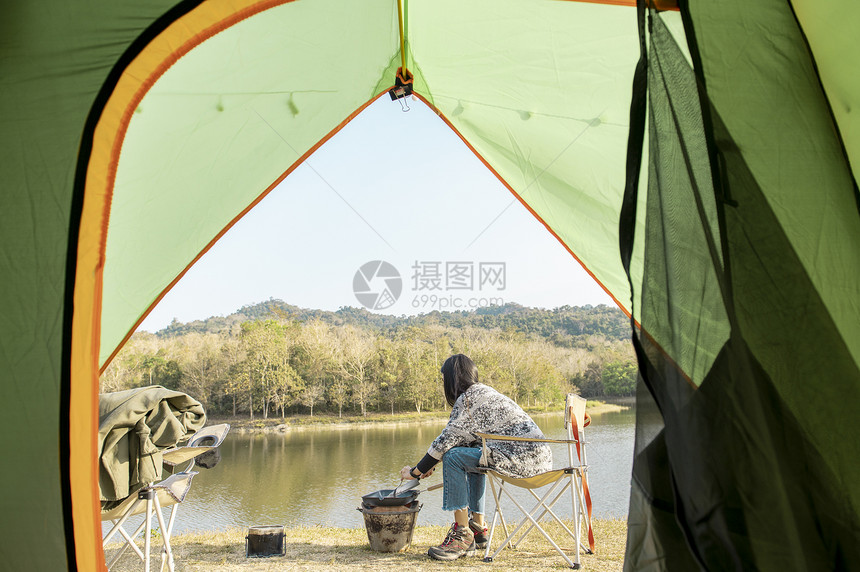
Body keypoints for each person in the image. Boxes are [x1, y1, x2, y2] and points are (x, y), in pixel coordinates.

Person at [400, 354, 552, 561]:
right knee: (473, 452)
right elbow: (462, 440)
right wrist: (431, 464)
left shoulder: (469, 399)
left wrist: (414, 472)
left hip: (520, 460)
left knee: (454, 457)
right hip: (537, 460)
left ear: (451, 379)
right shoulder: (486, 393)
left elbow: (446, 441)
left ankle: (462, 534)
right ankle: (478, 529)